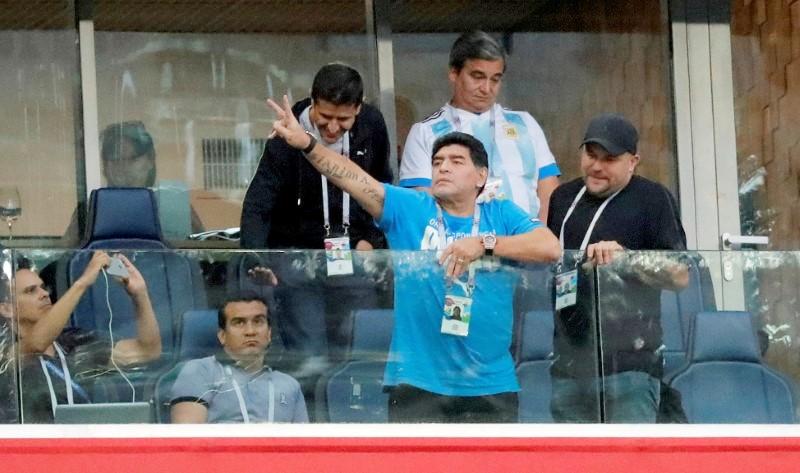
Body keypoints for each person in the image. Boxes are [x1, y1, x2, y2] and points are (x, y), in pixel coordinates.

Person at [267, 94, 561, 422]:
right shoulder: (410, 209)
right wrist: (307, 143)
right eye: (437, 162)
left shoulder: (500, 213)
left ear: (481, 176)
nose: (443, 167)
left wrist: (484, 244)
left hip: (490, 384)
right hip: (417, 384)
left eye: (456, 161)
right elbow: (350, 177)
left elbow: (550, 247)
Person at [240, 64, 393, 368]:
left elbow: (383, 188)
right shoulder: (287, 130)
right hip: (300, 259)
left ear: (358, 109)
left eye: (343, 119)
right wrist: (259, 259)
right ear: (312, 101)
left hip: (354, 256)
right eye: (325, 118)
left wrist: (372, 240)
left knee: (361, 355)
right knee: (311, 359)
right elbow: (258, 204)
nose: (333, 128)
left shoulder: (372, 125)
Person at [546, 113, 689, 423]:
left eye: (609, 159)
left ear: (632, 161)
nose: (596, 166)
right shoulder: (563, 198)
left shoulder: (652, 198)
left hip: (629, 366)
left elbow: (680, 275)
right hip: (569, 365)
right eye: (591, 155)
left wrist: (627, 259)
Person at [399, 31, 560, 223]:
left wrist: (539, 239)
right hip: (461, 248)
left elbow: (549, 191)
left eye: (495, 79)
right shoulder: (426, 131)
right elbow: (422, 206)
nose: (486, 88)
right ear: (453, 73)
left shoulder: (525, 123)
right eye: (477, 77)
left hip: (526, 246)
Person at [8, 252, 161, 423]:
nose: (44, 293)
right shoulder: (6, 348)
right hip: (25, 446)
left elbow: (147, 351)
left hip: (78, 443)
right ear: (6, 308)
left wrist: (140, 294)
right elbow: (36, 344)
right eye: (30, 291)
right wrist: (83, 281)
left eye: (43, 287)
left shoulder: (72, 341)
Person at [170, 295, 308, 423]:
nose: (250, 331)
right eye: (239, 323)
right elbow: (189, 442)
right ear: (222, 336)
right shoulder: (200, 371)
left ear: (269, 334)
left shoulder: (290, 385)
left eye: (258, 322)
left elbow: (306, 446)